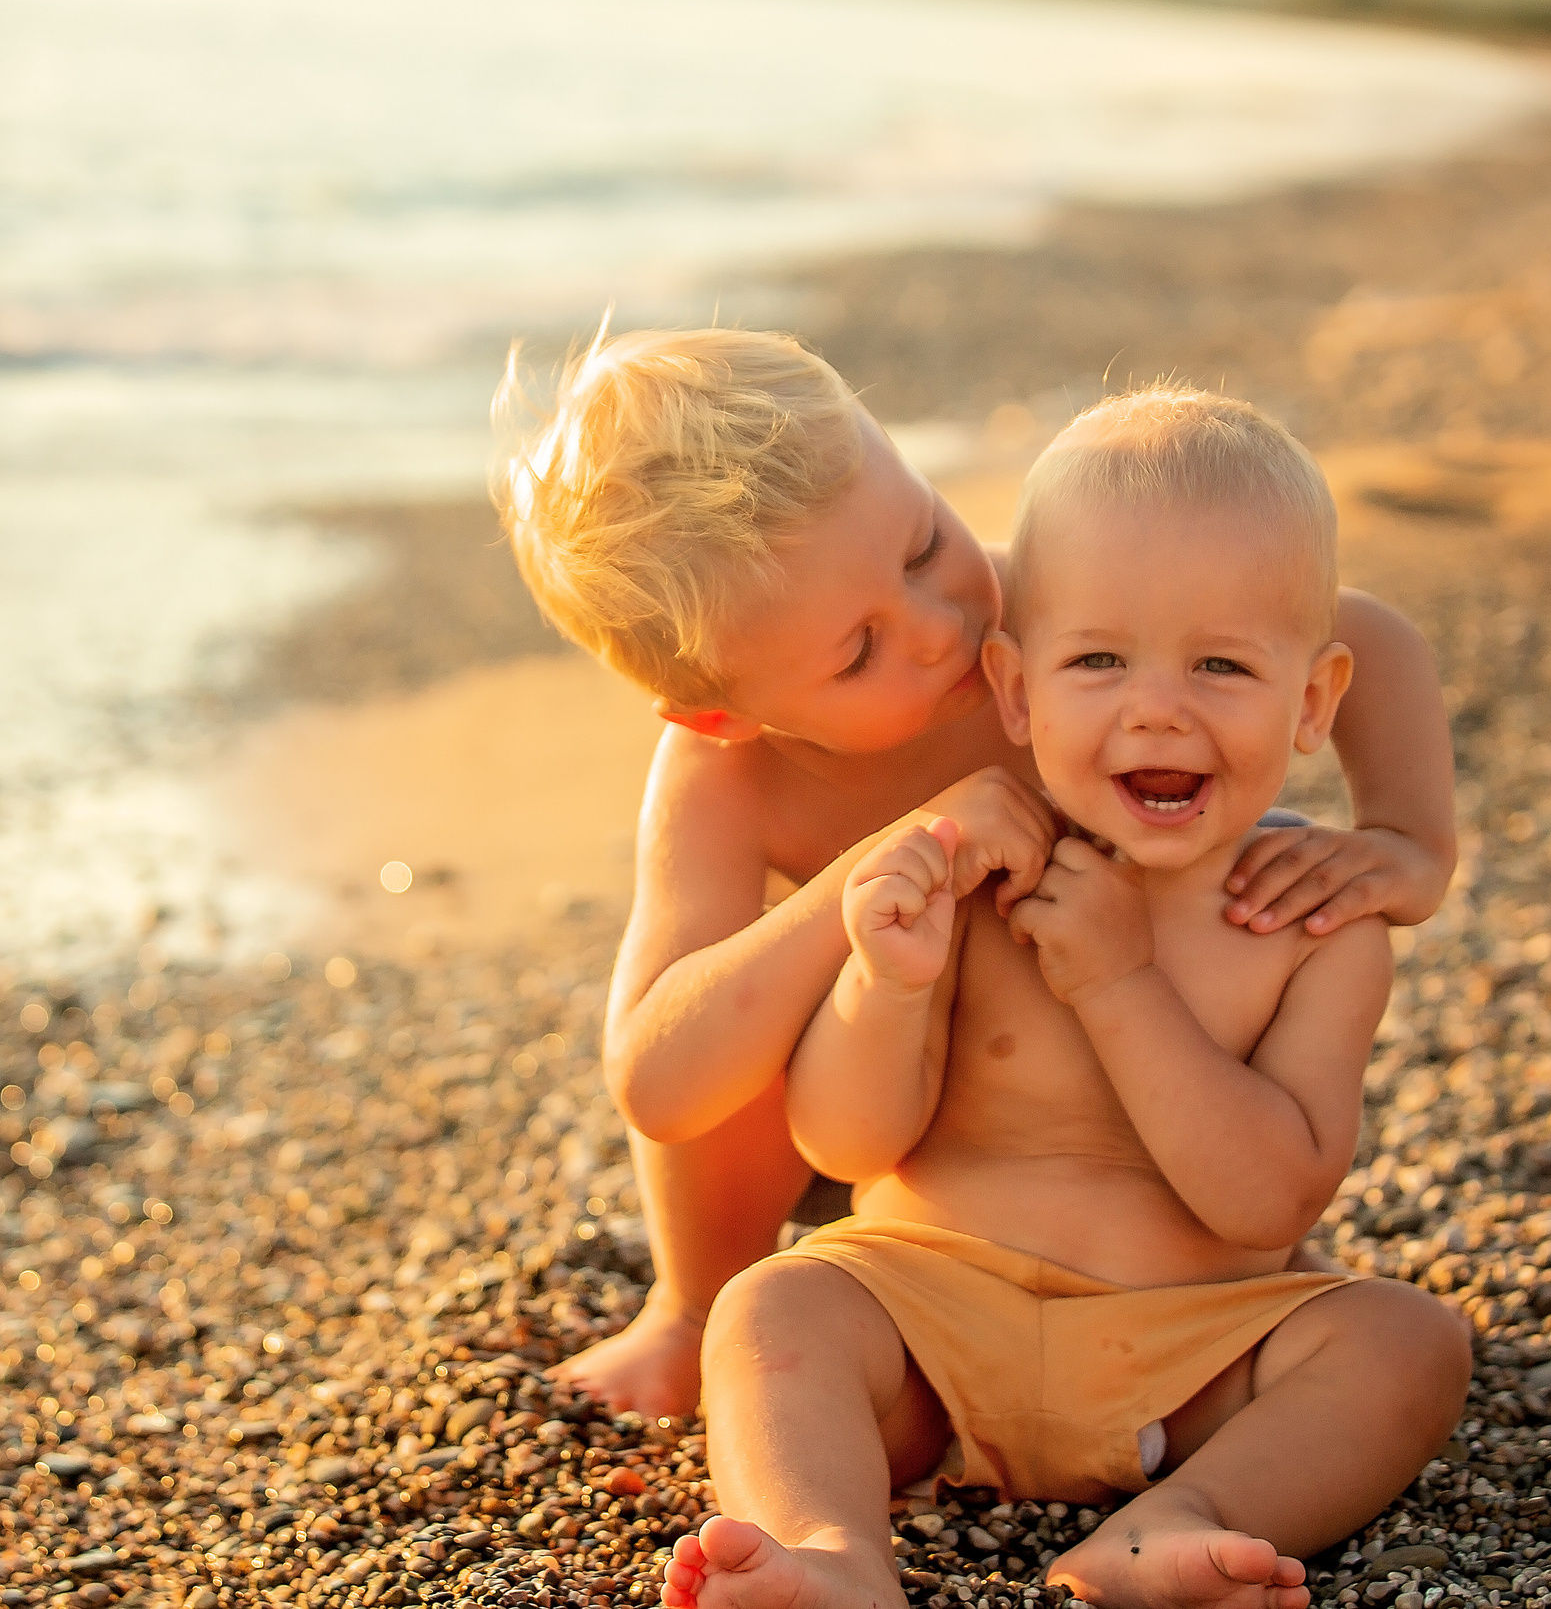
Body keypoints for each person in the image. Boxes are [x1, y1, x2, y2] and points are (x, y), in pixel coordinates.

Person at [493, 330, 1457, 1419]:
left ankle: (1195, 1262)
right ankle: (693, 1307)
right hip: (873, 1107)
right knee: (739, 998)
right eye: (859, 650)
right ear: (725, 710)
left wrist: (1409, 842)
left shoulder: (1050, 604)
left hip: (1110, 1100)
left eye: (921, 545)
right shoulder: (724, 775)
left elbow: (1358, 634)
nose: (942, 624)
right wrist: (878, 868)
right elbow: (658, 1078)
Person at [662, 387, 1471, 1609]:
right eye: (1097, 660)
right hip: (927, 1333)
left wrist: (1116, 981)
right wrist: (886, 982)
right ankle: (830, 1552)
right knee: (773, 1305)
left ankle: (1179, 1524)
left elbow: (1270, 1201)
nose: (1157, 706)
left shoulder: (1312, 923)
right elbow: (843, 1143)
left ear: (1312, 702)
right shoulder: (978, 869)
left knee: (1406, 1343)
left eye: (1220, 664)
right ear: (1016, 690)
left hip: (1194, 1354)